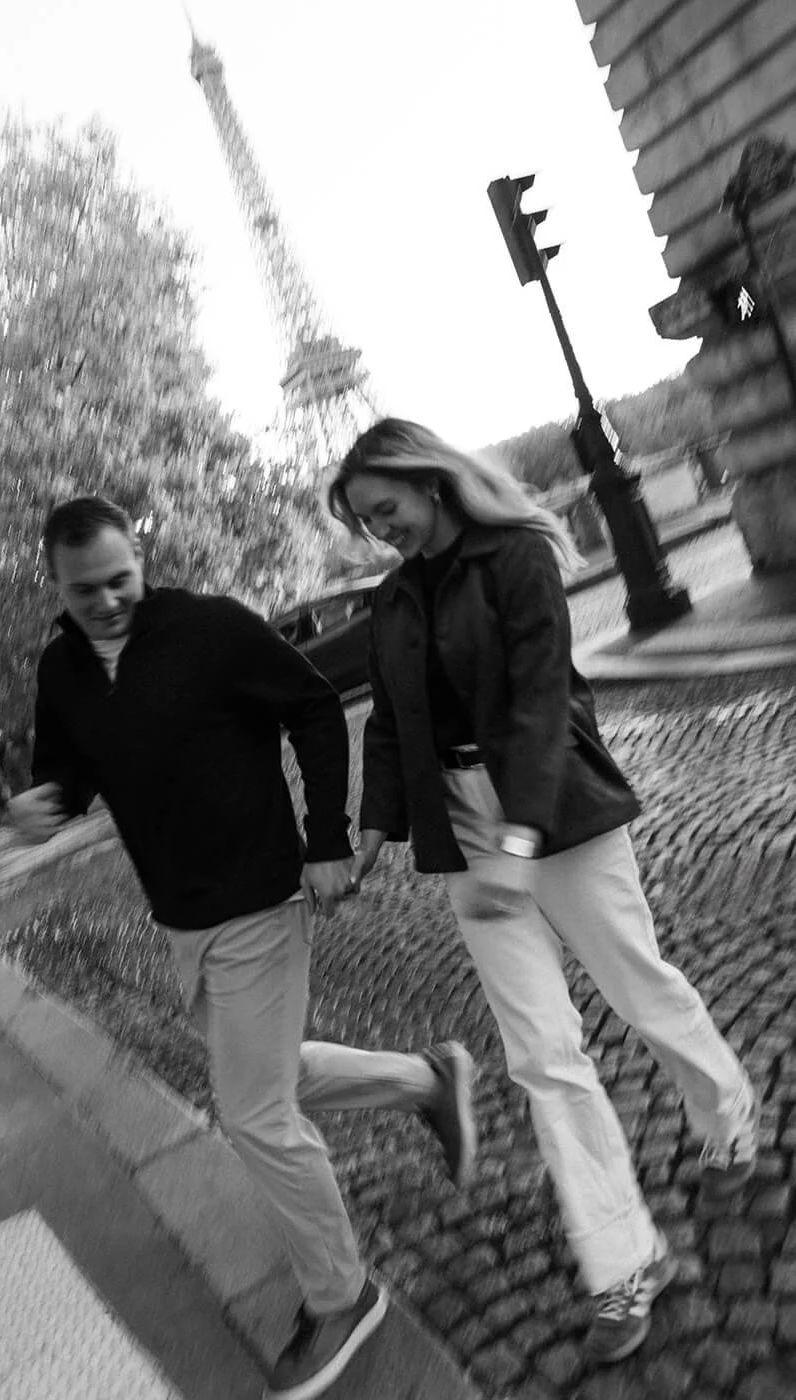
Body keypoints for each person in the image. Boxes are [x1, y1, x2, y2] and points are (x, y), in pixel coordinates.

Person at [7, 495, 478, 1400]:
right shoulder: (60, 669)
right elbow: (67, 771)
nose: (107, 600)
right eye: (84, 590)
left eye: (120, 579)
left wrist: (328, 837)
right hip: (180, 912)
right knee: (269, 1076)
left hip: (258, 896)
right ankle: (426, 1080)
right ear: (54, 585)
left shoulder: (210, 629)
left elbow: (310, 705)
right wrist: (44, 805)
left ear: (139, 559)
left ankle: (342, 1296)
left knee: (254, 1111)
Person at [327, 418, 759, 1366]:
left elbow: (538, 703)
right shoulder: (395, 601)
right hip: (463, 827)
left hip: (554, 809)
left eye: (384, 508)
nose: (379, 530)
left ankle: (727, 1119)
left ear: (429, 481)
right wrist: (368, 835)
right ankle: (621, 1264)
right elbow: (393, 729)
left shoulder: (516, 555)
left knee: (639, 990)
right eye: (363, 521)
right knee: (540, 1054)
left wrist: (515, 846)